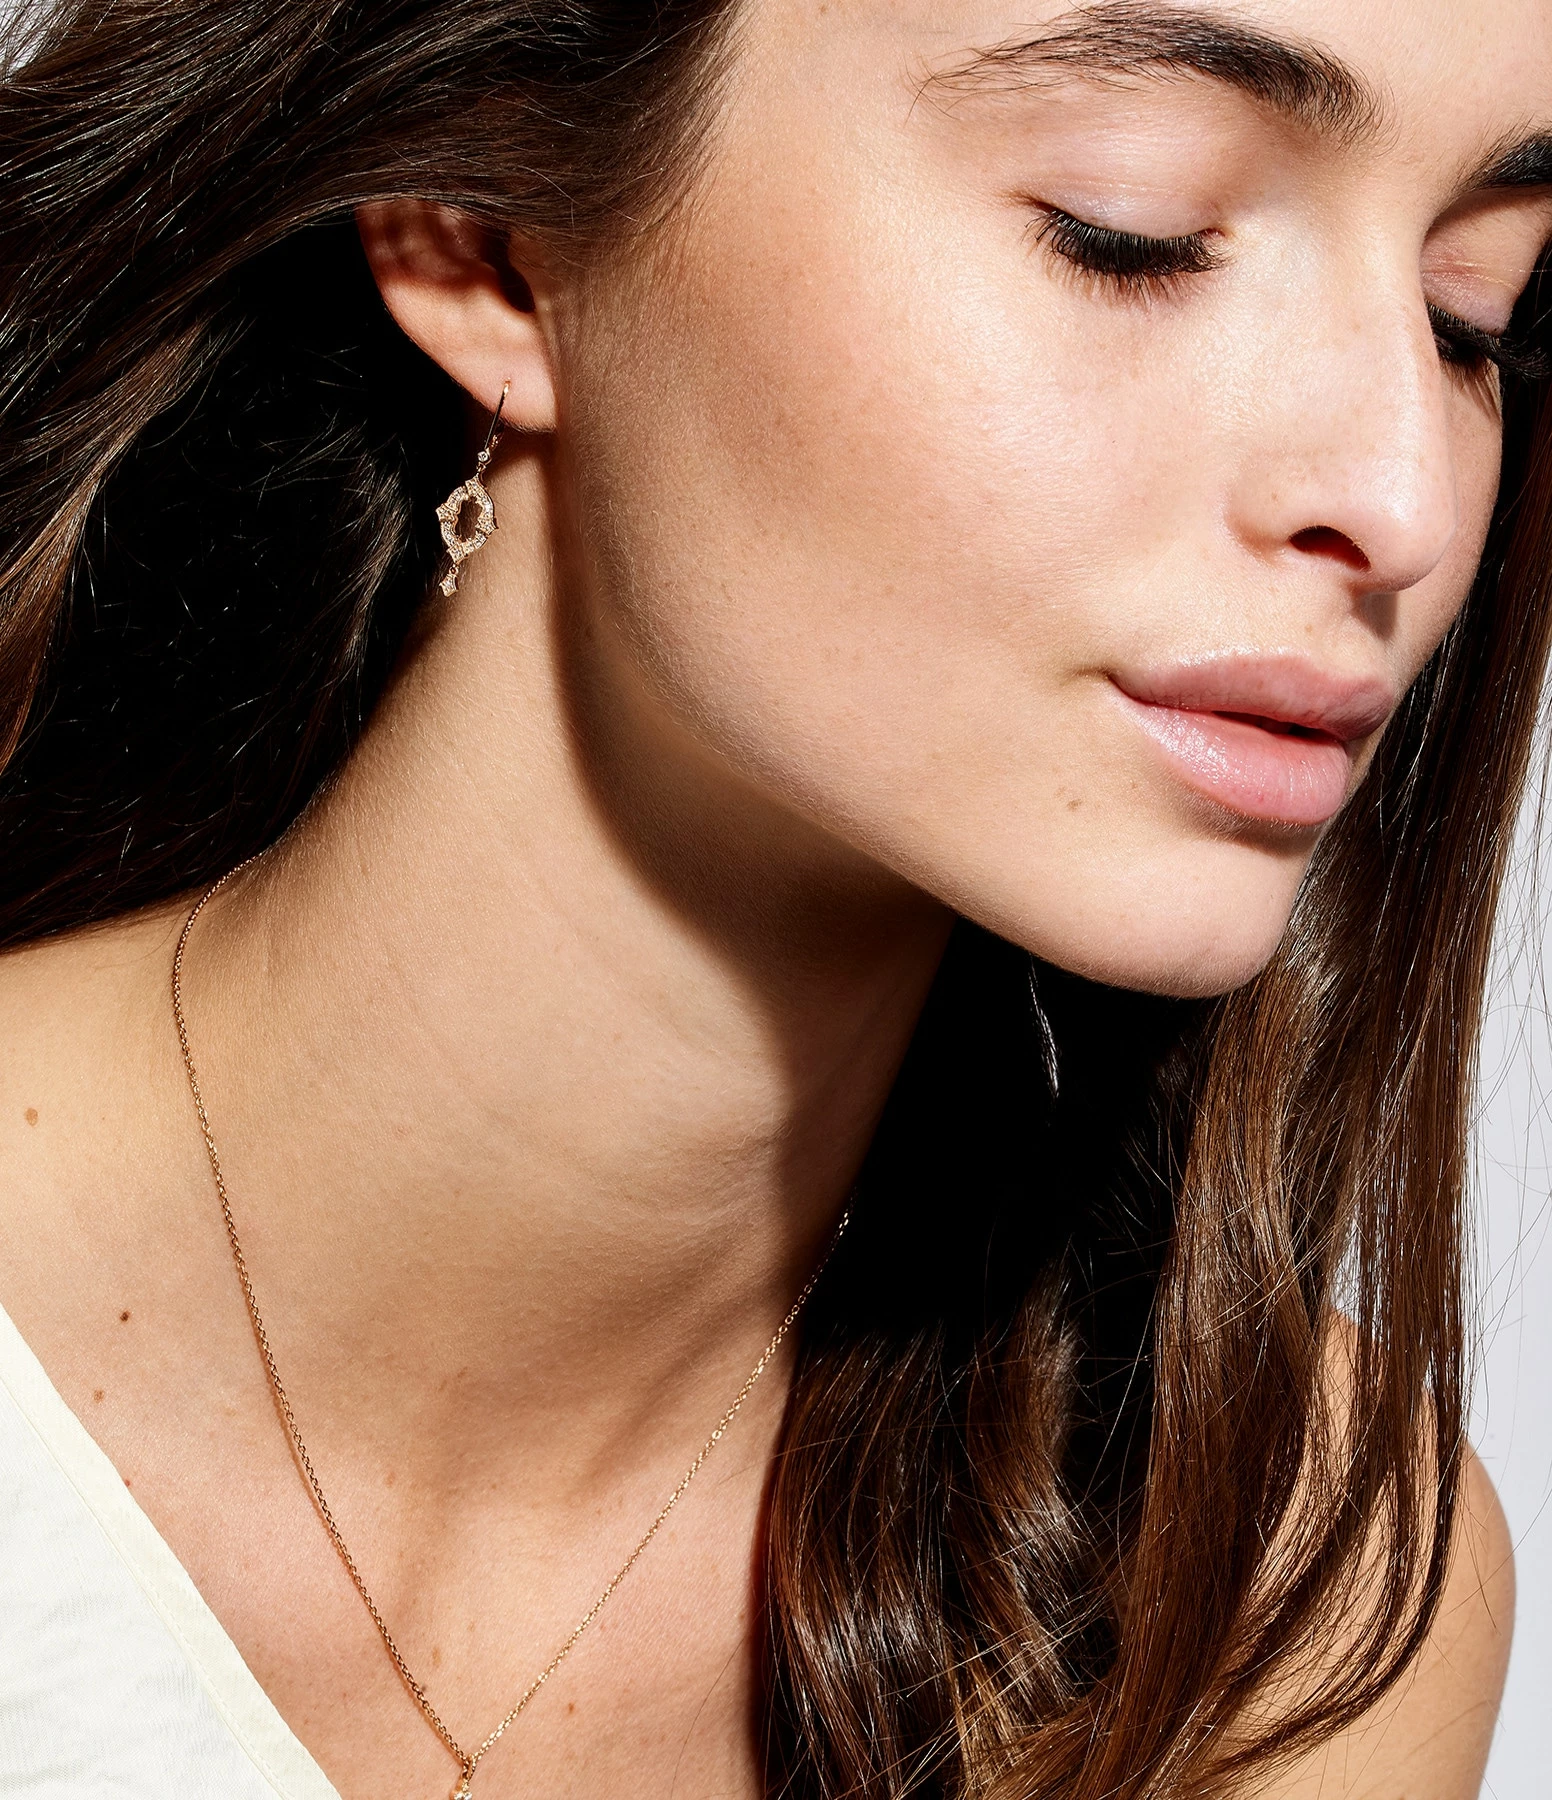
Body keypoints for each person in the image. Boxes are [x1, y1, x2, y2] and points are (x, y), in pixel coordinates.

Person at [0, 0, 1544, 1795]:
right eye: (1130, 233)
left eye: (1474, 316)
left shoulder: (1278, 1579)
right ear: (489, 242)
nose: (1401, 498)